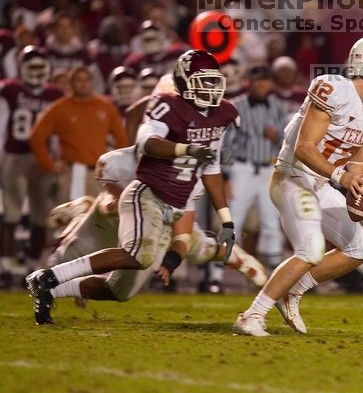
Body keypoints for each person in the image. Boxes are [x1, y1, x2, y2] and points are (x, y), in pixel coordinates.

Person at [25, 50, 239, 324]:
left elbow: (212, 170)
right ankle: (47, 275)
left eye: (213, 81)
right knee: (138, 254)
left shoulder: (221, 114)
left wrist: (227, 221)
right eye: (203, 81)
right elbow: (146, 143)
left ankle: (51, 290)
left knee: (118, 291)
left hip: (172, 208)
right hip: (147, 194)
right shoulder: (166, 105)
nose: (210, 88)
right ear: (184, 81)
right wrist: (186, 149)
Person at [235, 35, 363, 336]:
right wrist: (341, 178)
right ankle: (252, 315)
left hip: (321, 182)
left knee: (360, 247)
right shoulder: (333, 90)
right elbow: (304, 147)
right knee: (311, 248)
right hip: (292, 176)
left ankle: (293, 290)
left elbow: (359, 158)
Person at [47, 146, 267, 293]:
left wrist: (171, 261)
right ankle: (85, 208)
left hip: (163, 222)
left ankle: (246, 265)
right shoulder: (122, 161)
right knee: (63, 260)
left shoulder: (188, 175)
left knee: (198, 249)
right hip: (120, 219)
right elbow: (109, 200)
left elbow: (183, 232)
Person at [0, 46, 63, 287]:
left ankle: (31, 266)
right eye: (31, 66)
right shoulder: (10, 89)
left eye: (40, 66)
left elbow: (56, 131)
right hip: (15, 156)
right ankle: (5, 266)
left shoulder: (54, 94)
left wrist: (55, 158)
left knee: (40, 216)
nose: (36, 72)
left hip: (41, 158)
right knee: (11, 214)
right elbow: (2, 122)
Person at [29, 66, 129, 202]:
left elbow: (122, 139)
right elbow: (36, 138)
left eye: (86, 80)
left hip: (98, 174)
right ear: (71, 83)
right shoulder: (60, 108)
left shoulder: (105, 106)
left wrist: (114, 168)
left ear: (92, 82)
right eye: (78, 80)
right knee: (69, 219)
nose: (83, 84)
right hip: (71, 172)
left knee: (99, 220)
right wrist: (50, 165)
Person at [224, 65, 288, 270]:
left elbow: (287, 141)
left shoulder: (277, 105)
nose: (262, 84)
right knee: (232, 220)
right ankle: (215, 274)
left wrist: (276, 136)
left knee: (271, 221)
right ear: (249, 82)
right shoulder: (236, 106)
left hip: (269, 169)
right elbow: (226, 144)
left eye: (265, 80)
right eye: (258, 80)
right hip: (242, 168)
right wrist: (225, 177)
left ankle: (274, 273)